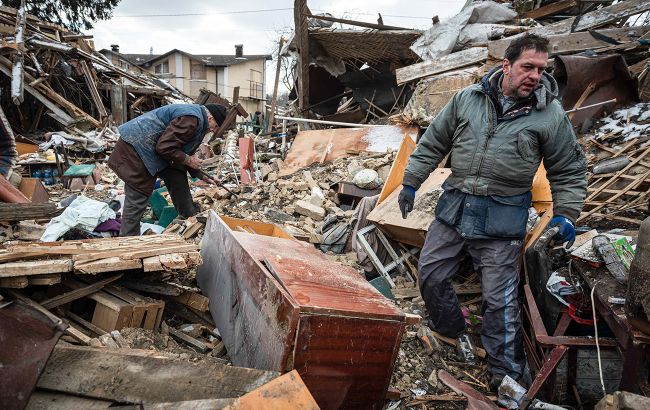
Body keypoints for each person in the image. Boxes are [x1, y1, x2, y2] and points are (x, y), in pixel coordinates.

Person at [398, 34, 587, 390]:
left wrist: (566, 212)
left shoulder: (550, 115)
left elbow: (569, 168)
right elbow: (433, 142)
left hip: (502, 218)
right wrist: (410, 182)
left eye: (541, 69)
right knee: (431, 275)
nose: (534, 75)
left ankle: (506, 374)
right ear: (506, 66)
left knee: (499, 302)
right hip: (455, 208)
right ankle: (452, 331)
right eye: (527, 67)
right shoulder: (467, 99)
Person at [108, 103, 227, 236]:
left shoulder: (196, 119)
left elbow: (178, 149)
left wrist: (202, 175)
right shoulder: (191, 119)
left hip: (153, 150)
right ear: (210, 118)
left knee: (177, 175)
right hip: (136, 150)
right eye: (215, 126)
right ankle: (128, 242)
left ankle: (190, 217)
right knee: (138, 198)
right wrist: (188, 160)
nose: (213, 130)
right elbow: (165, 147)